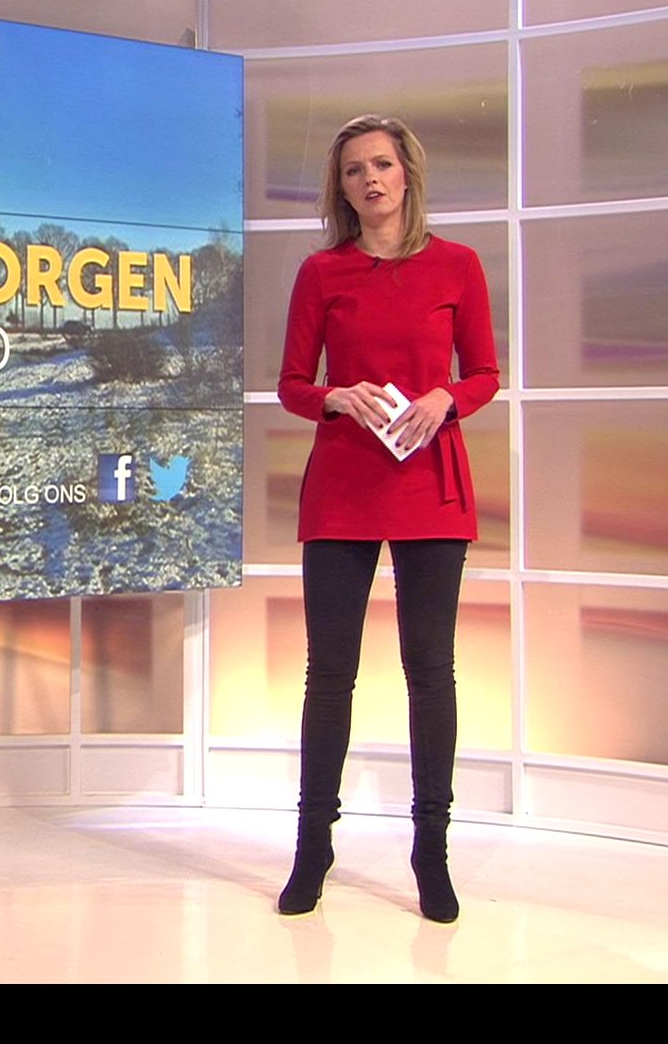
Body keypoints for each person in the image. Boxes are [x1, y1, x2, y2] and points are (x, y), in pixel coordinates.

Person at [273, 114, 500, 923]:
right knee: (329, 675)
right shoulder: (322, 272)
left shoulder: (458, 265)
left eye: (381, 165)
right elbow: (292, 385)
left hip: (430, 485)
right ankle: (313, 847)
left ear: (407, 174)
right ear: (341, 189)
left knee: (429, 672)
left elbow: (485, 373)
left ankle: (430, 852)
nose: (369, 180)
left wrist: (447, 398)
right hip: (342, 488)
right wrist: (334, 396)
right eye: (353, 171)